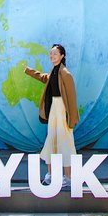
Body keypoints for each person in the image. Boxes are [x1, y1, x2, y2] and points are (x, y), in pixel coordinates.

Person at [25, 43, 78, 188]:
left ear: (62, 56)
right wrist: (29, 71)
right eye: (51, 53)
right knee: (52, 139)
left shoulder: (65, 74)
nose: (52, 56)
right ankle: (51, 174)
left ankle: (68, 177)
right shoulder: (54, 71)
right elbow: (45, 78)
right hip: (54, 108)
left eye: (55, 53)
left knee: (65, 141)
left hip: (62, 109)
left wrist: (72, 119)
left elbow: (72, 98)